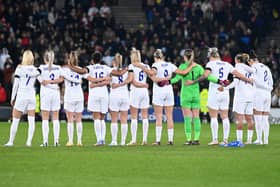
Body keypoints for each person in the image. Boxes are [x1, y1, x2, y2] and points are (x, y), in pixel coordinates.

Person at [186, 47, 253, 145]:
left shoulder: (211, 64)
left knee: (213, 117)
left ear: (210, 56)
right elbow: (239, 74)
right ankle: (225, 139)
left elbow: (205, 75)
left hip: (215, 91)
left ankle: (215, 139)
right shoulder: (227, 64)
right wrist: (249, 80)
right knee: (225, 117)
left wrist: (193, 81)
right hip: (224, 92)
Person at [134, 49, 196, 145]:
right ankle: (170, 140)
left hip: (159, 91)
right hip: (169, 91)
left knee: (159, 117)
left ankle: (158, 141)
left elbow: (152, 73)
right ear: (162, 57)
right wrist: (192, 66)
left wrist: (142, 67)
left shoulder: (155, 65)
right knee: (169, 116)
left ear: (155, 57)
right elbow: (183, 73)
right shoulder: (169, 64)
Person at [70, 51, 126, 146]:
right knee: (102, 118)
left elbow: (82, 71)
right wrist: (126, 69)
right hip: (104, 94)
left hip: (94, 94)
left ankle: (99, 139)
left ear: (92, 60)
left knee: (96, 117)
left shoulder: (90, 68)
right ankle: (103, 139)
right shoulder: (106, 68)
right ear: (101, 60)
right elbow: (118, 73)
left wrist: (71, 66)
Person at [170, 49, 222, 145]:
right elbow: (208, 77)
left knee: (187, 118)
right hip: (195, 95)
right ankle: (197, 139)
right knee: (196, 117)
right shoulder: (198, 67)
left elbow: (176, 79)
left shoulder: (182, 67)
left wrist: (167, 82)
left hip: (185, 95)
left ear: (185, 57)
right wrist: (219, 81)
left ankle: (189, 139)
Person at [4, 50, 40, 147]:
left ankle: (11, 141)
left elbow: (15, 85)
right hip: (31, 95)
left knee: (15, 120)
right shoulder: (35, 70)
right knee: (31, 120)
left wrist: (12, 97)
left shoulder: (19, 69)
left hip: (21, 95)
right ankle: (29, 142)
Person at [218, 53, 255, 144]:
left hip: (241, 96)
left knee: (240, 118)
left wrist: (225, 88)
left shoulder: (238, 67)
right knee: (249, 119)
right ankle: (249, 140)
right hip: (251, 96)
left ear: (237, 60)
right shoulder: (251, 69)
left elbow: (236, 83)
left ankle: (239, 140)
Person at [248, 50, 273, 145]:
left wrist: (263, 87)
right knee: (265, 118)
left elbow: (255, 80)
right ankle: (265, 140)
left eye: (249, 62)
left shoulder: (254, 67)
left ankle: (259, 139)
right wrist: (269, 89)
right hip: (268, 94)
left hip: (259, 93)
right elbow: (271, 81)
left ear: (251, 61)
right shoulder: (266, 67)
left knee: (258, 117)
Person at [38, 50, 62, 147]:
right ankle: (56, 141)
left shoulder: (41, 68)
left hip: (45, 94)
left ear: (45, 58)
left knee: (45, 118)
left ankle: (45, 141)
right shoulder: (58, 67)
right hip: (55, 93)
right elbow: (61, 79)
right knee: (55, 118)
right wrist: (53, 83)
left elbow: (42, 82)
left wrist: (47, 82)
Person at [62, 51, 87, 146]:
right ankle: (79, 141)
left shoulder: (64, 69)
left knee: (70, 119)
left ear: (69, 59)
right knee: (79, 119)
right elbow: (88, 77)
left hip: (69, 96)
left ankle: (70, 141)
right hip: (79, 95)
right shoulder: (80, 69)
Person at [127, 48, 150, 146]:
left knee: (134, 117)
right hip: (144, 92)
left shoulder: (131, 66)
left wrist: (141, 85)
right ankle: (144, 139)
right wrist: (144, 85)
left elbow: (133, 82)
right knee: (145, 116)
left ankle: (134, 139)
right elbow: (151, 75)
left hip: (136, 91)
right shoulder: (146, 66)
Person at [109, 53, 132, 146]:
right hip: (125, 95)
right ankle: (123, 141)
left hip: (115, 95)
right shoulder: (127, 70)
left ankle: (114, 141)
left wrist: (116, 85)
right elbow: (130, 79)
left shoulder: (111, 70)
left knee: (114, 119)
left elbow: (109, 81)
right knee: (124, 119)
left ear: (114, 62)